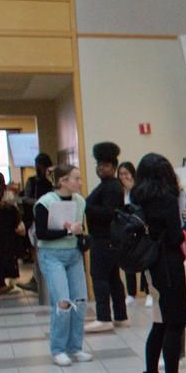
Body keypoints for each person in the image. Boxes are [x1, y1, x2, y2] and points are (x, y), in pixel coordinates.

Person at [132, 153, 186, 373]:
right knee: (175, 322)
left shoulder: (138, 196)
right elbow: (175, 238)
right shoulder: (166, 197)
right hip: (170, 267)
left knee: (160, 323)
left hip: (152, 265)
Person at [33, 163, 94, 367]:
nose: (79, 182)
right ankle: (58, 349)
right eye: (76, 178)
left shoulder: (79, 201)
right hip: (52, 255)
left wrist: (78, 234)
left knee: (80, 300)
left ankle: (75, 347)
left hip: (74, 254)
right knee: (63, 302)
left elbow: (80, 227)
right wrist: (68, 232)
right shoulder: (45, 202)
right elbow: (41, 233)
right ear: (62, 181)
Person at [83, 141, 129, 333]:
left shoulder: (110, 187)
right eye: (99, 165)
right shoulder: (110, 185)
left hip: (103, 239)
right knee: (113, 278)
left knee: (100, 277)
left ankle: (104, 317)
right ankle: (120, 315)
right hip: (109, 239)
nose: (101, 169)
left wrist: (85, 206)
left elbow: (110, 213)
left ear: (114, 167)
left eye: (106, 166)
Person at [117, 161, 152, 307]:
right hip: (126, 231)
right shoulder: (118, 191)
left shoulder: (138, 190)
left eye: (126, 173)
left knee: (144, 262)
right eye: (121, 174)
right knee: (128, 261)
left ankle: (148, 292)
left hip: (140, 230)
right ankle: (131, 293)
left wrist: (132, 188)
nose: (123, 177)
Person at [18, 152, 54, 292]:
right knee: (36, 250)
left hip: (50, 219)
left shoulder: (52, 181)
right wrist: (40, 202)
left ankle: (41, 279)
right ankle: (36, 278)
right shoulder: (32, 181)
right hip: (34, 218)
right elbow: (26, 198)